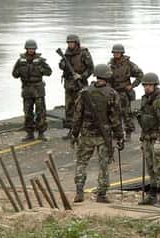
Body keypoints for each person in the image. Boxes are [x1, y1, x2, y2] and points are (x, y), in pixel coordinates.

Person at [70, 64, 124, 204]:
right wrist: (119, 136)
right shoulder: (112, 94)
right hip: (103, 135)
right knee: (103, 165)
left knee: (81, 162)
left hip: (86, 134)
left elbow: (77, 115)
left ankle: (79, 192)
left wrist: (74, 133)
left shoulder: (84, 92)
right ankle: (101, 194)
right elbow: (116, 118)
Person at [138, 72, 160, 208]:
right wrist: (142, 138)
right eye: (145, 85)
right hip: (147, 138)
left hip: (157, 139)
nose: (147, 87)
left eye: (149, 85)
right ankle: (152, 196)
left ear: (154, 85)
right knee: (151, 168)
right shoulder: (145, 99)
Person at [12, 39, 52, 141]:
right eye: (29, 48)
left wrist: (41, 70)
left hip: (38, 89)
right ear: (26, 49)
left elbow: (49, 72)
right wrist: (19, 71)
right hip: (27, 89)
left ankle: (41, 133)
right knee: (27, 112)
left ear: (35, 49)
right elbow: (14, 74)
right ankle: (29, 133)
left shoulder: (41, 61)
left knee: (41, 112)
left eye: (32, 48)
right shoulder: (20, 61)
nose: (31, 50)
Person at [59, 34, 93, 136]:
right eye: (68, 42)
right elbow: (61, 65)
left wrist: (81, 76)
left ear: (76, 43)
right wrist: (62, 64)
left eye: (72, 42)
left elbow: (91, 69)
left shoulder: (84, 53)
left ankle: (83, 129)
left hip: (80, 84)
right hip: (69, 85)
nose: (70, 44)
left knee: (81, 108)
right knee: (69, 108)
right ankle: (71, 130)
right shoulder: (66, 53)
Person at [108, 43, 143, 143]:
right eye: (114, 52)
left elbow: (140, 74)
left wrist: (132, 85)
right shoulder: (110, 64)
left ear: (122, 53)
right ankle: (117, 133)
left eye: (118, 52)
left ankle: (128, 134)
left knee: (126, 114)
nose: (116, 54)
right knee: (113, 113)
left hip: (124, 92)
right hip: (113, 91)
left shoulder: (129, 64)